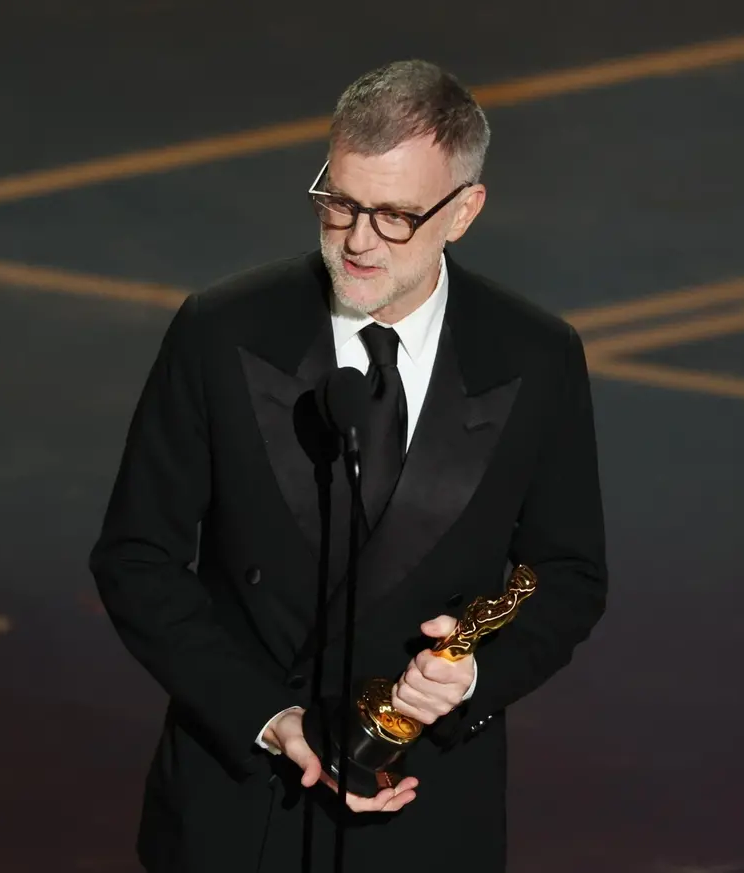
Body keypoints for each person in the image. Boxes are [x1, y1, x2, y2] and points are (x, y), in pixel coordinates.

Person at [89, 59, 608, 873]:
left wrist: (472, 678)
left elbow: (570, 571)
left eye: (396, 215)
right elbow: (137, 556)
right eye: (339, 202)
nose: (359, 240)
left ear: (464, 211)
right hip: (241, 802)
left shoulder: (536, 357)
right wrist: (267, 716)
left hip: (426, 806)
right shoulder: (221, 331)